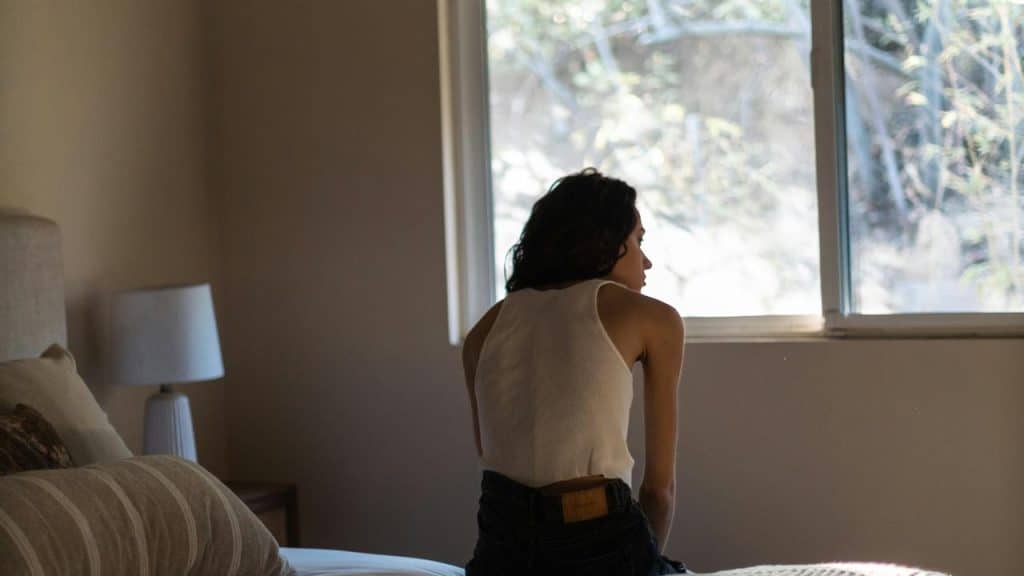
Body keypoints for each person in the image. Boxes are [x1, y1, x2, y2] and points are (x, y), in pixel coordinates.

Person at [462, 168, 687, 575]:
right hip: (598, 537)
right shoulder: (654, 319)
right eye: (638, 240)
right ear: (606, 242)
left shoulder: (484, 329)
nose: (646, 259)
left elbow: (493, 457)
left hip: (501, 544)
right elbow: (659, 490)